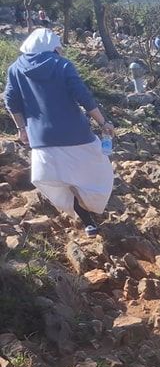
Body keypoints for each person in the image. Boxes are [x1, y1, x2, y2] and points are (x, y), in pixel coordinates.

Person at [3, 28, 114, 237]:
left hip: (41, 139)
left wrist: (22, 129)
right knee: (99, 172)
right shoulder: (62, 64)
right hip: (76, 134)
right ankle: (91, 209)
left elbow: (10, 101)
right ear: (51, 48)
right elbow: (83, 96)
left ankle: (86, 220)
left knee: (59, 181)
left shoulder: (15, 69)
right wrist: (103, 123)